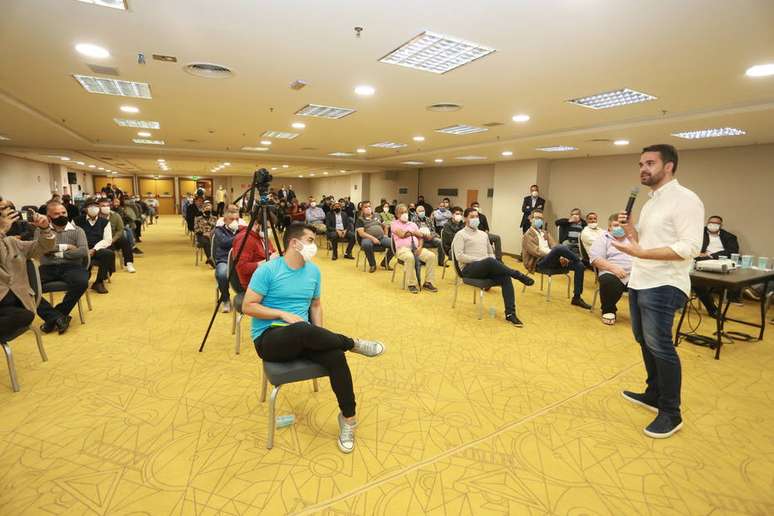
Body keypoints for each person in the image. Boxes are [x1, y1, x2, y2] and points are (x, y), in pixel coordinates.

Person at [242, 223, 386, 453]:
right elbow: (248, 306)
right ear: (294, 243)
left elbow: (316, 305)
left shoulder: (313, 271)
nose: (313, 245)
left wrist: (320, 336)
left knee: (335, 355)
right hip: (270, 338)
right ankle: (353, 343)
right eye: (309, 240)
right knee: (301, 329)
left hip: (305, 334)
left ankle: (348, 420)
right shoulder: (268, 270)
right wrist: (281, 313)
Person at [614, 144, 704, 439]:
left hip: (665, 283)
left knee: (661, 345)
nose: (643, 168)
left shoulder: (685, 200)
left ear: (669, 166)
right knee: (643, 339)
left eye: (650, 163)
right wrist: (630, 232)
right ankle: (653, 393)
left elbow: (690, 248)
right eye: (641, 163)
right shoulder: (651, 201)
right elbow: (643, 243)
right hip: (641, 279)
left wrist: (642, 252)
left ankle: (671, 412)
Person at [452, 208, 533, 326]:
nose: (475, 219)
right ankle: (517, 274)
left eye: (476, 216)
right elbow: (459, 256)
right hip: (469, 269)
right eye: (471, 216)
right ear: (465, 219)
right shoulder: (460, 235)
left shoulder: (483, 234)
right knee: (489, 261)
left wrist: (492, 264)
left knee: (505, 277)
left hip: (486, 267)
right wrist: (481, 260)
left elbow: (491, 253)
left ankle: (510, 314)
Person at [0, 201, 56, 340]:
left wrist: (45, 229)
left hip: (16, 302)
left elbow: (44, 247)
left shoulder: (12, 242)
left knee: (25, 316)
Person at [36, 201, 90, 334]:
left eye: (63, 213)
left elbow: (82, 251)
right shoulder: (40, 231)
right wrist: (66, 247)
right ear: (48, 217)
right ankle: (58, 318)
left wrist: (56, 253)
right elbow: (41, 249)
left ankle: (55, 317)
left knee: (82, 282)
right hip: (47, 268)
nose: (61, 215)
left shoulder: (78, 231)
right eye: (56, 214)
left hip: (72, 267)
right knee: (26, 287)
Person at [521, 210, 591, 309]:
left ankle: (577, 297)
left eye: (541, 218)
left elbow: (554, 245)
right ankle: (584, 261)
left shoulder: (544, 232)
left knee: (579, 266)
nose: (539, 220)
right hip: (539, 262)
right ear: (530, 219)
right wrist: (557, 254)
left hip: (553, 259)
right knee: (560, 248)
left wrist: (561, 256)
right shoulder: (527, 235)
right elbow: (535, 252)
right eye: (536, 218)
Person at [589, 213, 632, 325]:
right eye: (616, 225)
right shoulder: (603, 239)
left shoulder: (632, 238)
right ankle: (608, 310)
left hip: (634, 273)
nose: (619, 228)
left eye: (622, 225)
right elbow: (595, 259)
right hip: (611, 272)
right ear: (609, 227)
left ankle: (644, 315)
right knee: (608, 280)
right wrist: (613, 268)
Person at [694, 215, 742, 314]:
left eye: (716, 224)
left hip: (721, 261)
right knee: (697, 281)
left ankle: (732, 297)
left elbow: (732, 252)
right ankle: (712, 308)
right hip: (700, 261)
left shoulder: (729, 237)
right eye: (710, 223)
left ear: (721, 225)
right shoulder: (698, 233)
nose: (713, 225)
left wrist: (711, 255)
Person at [390, 205, 437, 294]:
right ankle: (411, 284)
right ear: (397, 214)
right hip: (402, 249)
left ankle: (428, 282)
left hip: (416, 248)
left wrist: (420, 247)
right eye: (402, 212)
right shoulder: (394, 224)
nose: (405, 214)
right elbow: (401, 234)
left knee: (431, 256)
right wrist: (414, 232)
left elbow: (421, 237)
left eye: (406, 212)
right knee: (410, 257)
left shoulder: (413, 224)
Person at [74, 199, 115, 294]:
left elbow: (107, 240)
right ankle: (79, 280)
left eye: (96, 207)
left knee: (108, 254)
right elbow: (73, 237)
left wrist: (94, 249)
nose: (94, 209)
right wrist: (84, 249)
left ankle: (99, 282)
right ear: (85, 209)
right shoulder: (76, 220)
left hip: (97, 248)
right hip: (80, 248)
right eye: (91, 207)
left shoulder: (104, 222)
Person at [233, 217, 276, 289]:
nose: (269, 230)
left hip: (267, 277)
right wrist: (267, 261)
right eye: (267, 227)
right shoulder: (244, 239)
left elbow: (272, 252)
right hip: (254, 284)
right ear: (256, 224)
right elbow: (242, 268)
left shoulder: (262, 236)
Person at [213, 207, 240, 312]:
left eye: (236, 219)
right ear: (225, 220)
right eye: (231, 219)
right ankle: (225, 300)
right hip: (224, 260)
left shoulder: (241, 230)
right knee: (222, 274)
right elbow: (224, 242)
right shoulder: (219, 230)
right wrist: (240, 236)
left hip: (240, 260)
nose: (234, 222)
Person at [98, 198, 135, 273]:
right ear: (98, 207)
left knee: (125, 241)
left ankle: (129, 263)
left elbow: (120, 230)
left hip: (114, 239)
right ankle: (109, 267)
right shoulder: (95, 217)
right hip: (101, 241)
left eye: (107, 205)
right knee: (109, 254)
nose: (106, 207)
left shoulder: (115, 215)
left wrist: (113, 239)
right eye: (103, 206)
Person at [355, 201, 393, 273]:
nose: (368, 208)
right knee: (366, 244)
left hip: (381, 238)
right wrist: (373, 238)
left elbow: (385, 226)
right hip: (367, 238)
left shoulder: (377, 215)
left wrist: (385, 235)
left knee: (394, 243)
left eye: (369, 206)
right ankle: (372, 265)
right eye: (366, 207)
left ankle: (385, 262)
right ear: (362, 209)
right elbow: (361, 233)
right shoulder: (360, 219)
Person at [194, 201, 218, 267]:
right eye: (206, 208)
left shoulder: (214, 218)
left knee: (217, 241)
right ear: (202, 209)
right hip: (201, 236)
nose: (207, 210)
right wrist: (204, 233)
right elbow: (195, 229)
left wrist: (210, 233)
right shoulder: (198, 219)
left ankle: (213, 260)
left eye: (209, 209)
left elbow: (217, 228)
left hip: (212, 236)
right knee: (206, 241)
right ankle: (210, 259)